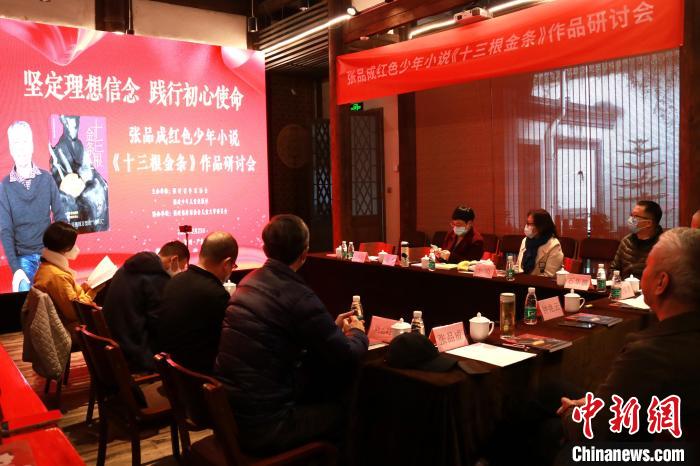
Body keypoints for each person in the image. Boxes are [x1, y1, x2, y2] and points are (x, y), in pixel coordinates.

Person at [215, 214, 368, 455]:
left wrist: (330, 327)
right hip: (266, 425)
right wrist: (357, 332)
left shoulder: (247, 282)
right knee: (349, 408)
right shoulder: (298, 295)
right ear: (304, 253)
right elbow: (347, 355)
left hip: (233, 415)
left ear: (265, 249)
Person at [558, 228, 700, 443]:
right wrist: (595, 403)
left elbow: (596, 431)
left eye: (647, 266)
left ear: (661, 283)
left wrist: (572, 412)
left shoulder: (650, 353)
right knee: (551, 389)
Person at [102, 241, 190, 373]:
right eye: (182, 269)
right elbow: (159, 323)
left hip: (116, 345)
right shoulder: (157, 278)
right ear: (174, 260)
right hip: (136, 353)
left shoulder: (126, 269)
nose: (180, 273)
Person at [157, 231, 237, 374]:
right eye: (233, 266)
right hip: (202, 380)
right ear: (227, 264)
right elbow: (229, 345)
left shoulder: (174, 281)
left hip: (174, 373)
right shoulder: (217, 295)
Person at [1, 121, 66, 292]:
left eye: (24, 141)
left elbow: (61, 218)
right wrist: (16, 270)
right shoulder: (5, 186)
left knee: (60, 295)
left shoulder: (47, 179)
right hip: (23, 258)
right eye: (16, 143)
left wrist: (59, 252)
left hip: (48, 254)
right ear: (11, 148)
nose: (21, 148)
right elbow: (5, 231)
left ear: (31, 145)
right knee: (25, 294)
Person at [32, 221, 95, 334]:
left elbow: (69, 296)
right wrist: (92, 292)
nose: (76, 248)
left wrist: (85, 288)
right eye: (73, 244)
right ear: (64, 248)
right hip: (68, 330)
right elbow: (75, 312)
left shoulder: (47, 267)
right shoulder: (58, 276)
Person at [49, 115, 109, 233]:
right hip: (70, 191)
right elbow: (56, 176)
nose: (73, 130)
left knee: (102, 188)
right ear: (64, 124)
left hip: (83, 184)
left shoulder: (79, 144)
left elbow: (89, 167)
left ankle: (100, 226)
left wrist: (97, 180)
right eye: (70, 126)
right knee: (91, 197)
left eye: (76, 126)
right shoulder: (59, 149)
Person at [610, 200, 663, 278]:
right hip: (624, 285)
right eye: (631, 215)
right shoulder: (626, 241)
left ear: (648, 223)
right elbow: (614, 269)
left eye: (635, 216)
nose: (631, 219)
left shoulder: (663, 245)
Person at [515, 209, 563, 277]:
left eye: (530, 224)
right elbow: (518, 267)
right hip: (521, 281)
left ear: (541, 226)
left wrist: (527, 280)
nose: (526, 227)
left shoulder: (554, 245)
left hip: (540, 283)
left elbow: (548, 275)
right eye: (527, 223)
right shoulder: (525, 240)